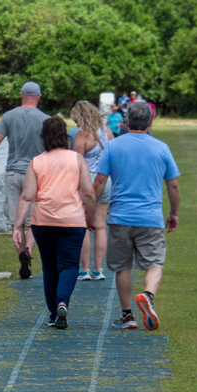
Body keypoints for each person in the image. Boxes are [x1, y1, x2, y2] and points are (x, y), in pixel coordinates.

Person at [92, 100, 180, 331]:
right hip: (150, 218)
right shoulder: (161, 148)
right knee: (155, 263)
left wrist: (88, 211)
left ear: (127, 121)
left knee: (122, 267)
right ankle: (148, 296)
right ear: (150, 121)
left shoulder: (113, 146)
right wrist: (173, 213)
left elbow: (100, 181)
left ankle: (127, 315)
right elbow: (173, 186)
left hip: (120, 216)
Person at [13, 117, 97, 329]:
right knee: (69, 265)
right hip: (72, 219)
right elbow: (88, 192)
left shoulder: (37, 162)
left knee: (49, 267)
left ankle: (53, 313)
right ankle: (62, 302)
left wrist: (17, 225)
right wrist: (91, 218)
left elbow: (27, 196)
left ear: (44, 138)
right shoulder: (76, 159)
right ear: (64, 137)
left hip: (43, 221)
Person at [0, 81, 49, 279]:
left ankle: (22, 259)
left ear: (21, 95)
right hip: (35, 173)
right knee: (34, 220)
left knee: (16, 221)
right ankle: (28, 250)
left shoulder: (8, 116)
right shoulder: (45, 119)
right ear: (39, 96)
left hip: (13, 171)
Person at [70, 100, 113, 279]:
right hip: (106, 179)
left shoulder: (82, 135)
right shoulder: (107, 132)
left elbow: (76, 162)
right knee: (100, 224)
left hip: (88, 180)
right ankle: (98, 269)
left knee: (84, 224)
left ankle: (84, 269)